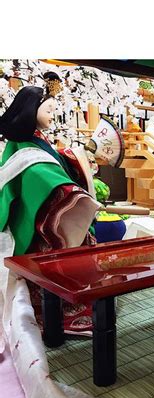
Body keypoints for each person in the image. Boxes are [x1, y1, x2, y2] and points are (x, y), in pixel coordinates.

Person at [0, 74, 101, 335]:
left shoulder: (35, 139)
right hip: (38, 215)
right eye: (50, 109)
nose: (54, 114)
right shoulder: (22, 143)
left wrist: (73, 157)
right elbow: (37, 173)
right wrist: (70, 193)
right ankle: (57, 315)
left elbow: (52, 162)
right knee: (54, 258)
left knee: (75, 253)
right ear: (32, 110)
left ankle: (73, 306)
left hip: (45, 209)